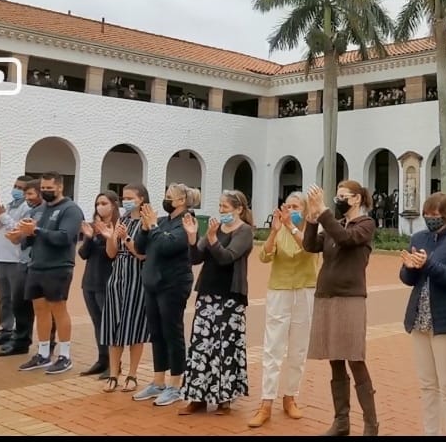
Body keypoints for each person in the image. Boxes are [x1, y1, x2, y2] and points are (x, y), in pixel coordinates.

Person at [302, 180, 379, 436]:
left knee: (355, 358)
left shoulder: (365, 225)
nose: (339, 200)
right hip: (326, 296)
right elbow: (310, 246)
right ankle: (341, 421)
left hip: (351, 298)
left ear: (357, 199)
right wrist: (312, 219)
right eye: (337, 196)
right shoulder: (335, 225)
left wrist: (324, 212)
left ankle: (371, 424)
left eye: (344, 196)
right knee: (334, 359)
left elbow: (346, 240)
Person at [399, 192, 446, 436]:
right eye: (426, 214)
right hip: (420, 320)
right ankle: (431, 432)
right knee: (428, 385)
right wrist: (410, 268)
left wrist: (427, 263)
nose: (430, 218)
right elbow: (409, 279)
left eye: (434, 214)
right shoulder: (419, 237)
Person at [178, 190, 254, 415]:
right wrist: (193, 237)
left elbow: (227, 257)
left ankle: (224, 399)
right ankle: (198, 396)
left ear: (239, 209)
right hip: (207, 293)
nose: (221, 211)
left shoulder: (245, 231)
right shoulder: (216, 228)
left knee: (225, 346)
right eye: (220, 206)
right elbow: (195, 258)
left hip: (230, 296)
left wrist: (212, 239)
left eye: (225, 207)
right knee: (201, 345)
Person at [249, 191, 317, 428]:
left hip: (305, 290)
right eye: (288, 206)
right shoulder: (279, 228)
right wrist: (274, 232)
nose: (291, 210)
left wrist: (292, 227)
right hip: (279, 290)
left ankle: (290, 396)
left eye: (296, 207)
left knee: (298, 348)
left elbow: (309, 249)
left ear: (305, 210)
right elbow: (264, 257)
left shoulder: (313, 228)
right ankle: (266, 402)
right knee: (273, 347)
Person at [131, 183, 198, 407]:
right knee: (156, 333)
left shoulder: (187, 222)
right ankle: (158, 381)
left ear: (181, 201)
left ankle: (176, 385)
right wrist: (144, 228)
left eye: (170, 196)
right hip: (153, 283)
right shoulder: (161, 222)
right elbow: (140, 248)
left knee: (172, 332)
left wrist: (153, 226)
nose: (166, 199)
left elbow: (167, 246)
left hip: (173, 285)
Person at [16, 172, 84, 374]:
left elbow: (64, 237)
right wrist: (22, 236)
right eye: (43, 188)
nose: (45, 191)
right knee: (40, 310)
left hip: (58, 267)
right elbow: (30, 238)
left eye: (49, 188)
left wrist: (36, 231)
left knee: (58, 309)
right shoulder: (39, 210)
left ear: (60, 187)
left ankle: (65, 355)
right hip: (36, 265)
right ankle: (43, 353)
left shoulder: (71, 209)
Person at [99, 184, 151, 393]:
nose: (126, 201)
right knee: (113, 325)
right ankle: (113, 374)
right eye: (124, 198)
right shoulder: (122, 220)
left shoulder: (147, 223)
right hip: (117, 278)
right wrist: (110, 237)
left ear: (141, 199)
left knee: (134, 325)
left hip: (137, 278)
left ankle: (133, 374)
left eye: (130, 198)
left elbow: (143, 255)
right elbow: (111, 253)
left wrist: (126, 238)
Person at [0, 180, 56, 358]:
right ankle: (21, 341)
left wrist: (32, 232)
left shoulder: (52, 213)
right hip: (24, 262)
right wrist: (17, 237)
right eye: (25, 194)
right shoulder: (32, 212)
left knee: (46, 307)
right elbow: (24, 236)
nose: (27, 198)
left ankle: (48, 344)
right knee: (19, 303)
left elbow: (52, 236)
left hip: (44, 264)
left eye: (30, 194)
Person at [0, 176, 34, 347]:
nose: (16, 190)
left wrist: (3, 216)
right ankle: (5, 329)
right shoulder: (9, 206)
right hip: (1, 256)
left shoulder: (27, 208)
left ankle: (18, 333)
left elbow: (20, 229)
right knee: (4, 298)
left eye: (21, 188)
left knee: (16, 298)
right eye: (15, 186)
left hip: (16, 257)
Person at [77, 191, 119, 379]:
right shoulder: (94, 227)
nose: (99, 207)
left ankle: (115, 364)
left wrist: (106, 237)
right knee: (97, 323)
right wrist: (88, 237)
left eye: (104, 203)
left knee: (109, 324)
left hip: (107, 282)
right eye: (97, 204)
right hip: (90, 282)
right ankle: (102, 360)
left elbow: (111, 255)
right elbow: (83, 254)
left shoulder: (118, 226)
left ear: (114, 205)